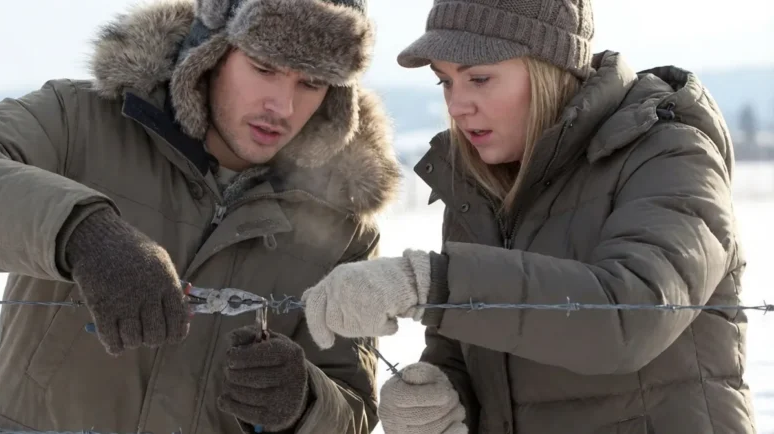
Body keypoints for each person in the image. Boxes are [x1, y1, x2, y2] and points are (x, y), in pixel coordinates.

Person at [0, 0, 402, 432]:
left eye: (312, 82)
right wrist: (83, 234)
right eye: (264, 67)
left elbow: (352, 410)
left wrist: (304, 402)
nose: (283, 105)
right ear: (212, 51)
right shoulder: (83, 121)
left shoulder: (342, 228)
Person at [300, 0, 757, 433]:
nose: (457, 105)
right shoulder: (477, 186)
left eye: (479, 78)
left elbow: (633, 316)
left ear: (548, 68)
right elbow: (468, 343)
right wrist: (442, 398)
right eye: (445, 82)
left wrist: (428, 282)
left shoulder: (669, 154)